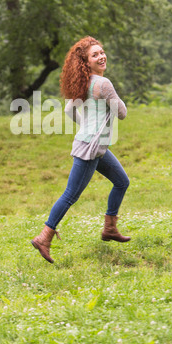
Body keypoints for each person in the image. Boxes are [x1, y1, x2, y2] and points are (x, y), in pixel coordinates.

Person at [31, 36, 130, 263]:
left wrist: (87, 126)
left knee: (122, 181)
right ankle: (44, 237)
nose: (101, 56)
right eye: (94, 55)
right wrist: (114, 101)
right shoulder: (103, 84)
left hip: (94, 145)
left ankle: (110, 228)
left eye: (101, 52)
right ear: (86, 62)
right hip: (90, 148)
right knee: (70, 195)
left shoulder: (83, 83)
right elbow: (122, 113)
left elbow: (68, 110)